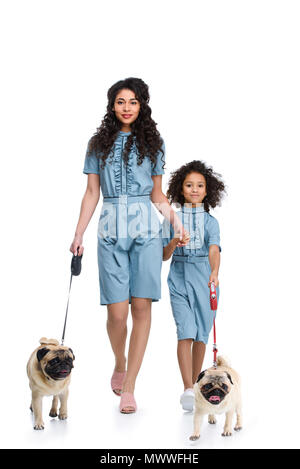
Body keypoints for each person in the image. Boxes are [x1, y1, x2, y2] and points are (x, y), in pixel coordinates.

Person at [70, 77, 188, 414]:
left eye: (133, 102)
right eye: (121, 102)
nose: (126, 108)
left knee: (141, 309)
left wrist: (176, 221)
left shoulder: (154, 143)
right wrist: (78, 233)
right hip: (109, 228)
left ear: (142, 105)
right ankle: (119, 361)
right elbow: (92, 192)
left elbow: (156, 193)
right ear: (112, 106)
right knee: (117, 315)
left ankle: (130, 386)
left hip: (146, 230)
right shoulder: (97, 144)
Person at [162, 160, 226, 411]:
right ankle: (187, 387)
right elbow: (164, 255)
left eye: (200, 185)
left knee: (201, 333)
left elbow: (214, 249)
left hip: (205, 278)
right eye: (189, 185)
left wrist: (215, 271)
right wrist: (174, 242)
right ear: (181, 189)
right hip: (178, 274)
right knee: (185, 330)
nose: (195, 189)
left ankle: (196, 387)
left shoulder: (211, 222)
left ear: (208, 190)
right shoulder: (173, 218)